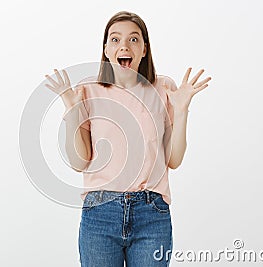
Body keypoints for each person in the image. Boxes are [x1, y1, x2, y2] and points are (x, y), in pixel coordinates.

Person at [45, 11, 211, 267]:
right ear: (106, 49)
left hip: (151, 213)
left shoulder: (163, 88)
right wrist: (72, 110)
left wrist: (180, 110)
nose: (124, 45)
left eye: (134, 39)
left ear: (144, 49)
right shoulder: (89, 89)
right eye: (115, 39)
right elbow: (79, 162)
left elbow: (174, 160)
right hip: (100, 213)